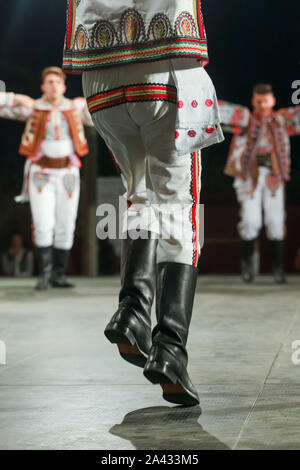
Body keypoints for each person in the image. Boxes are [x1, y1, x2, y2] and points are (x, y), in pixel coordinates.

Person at [64, 0, 224, 406]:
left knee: (140, 195)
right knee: (178, 209)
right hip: (162, 63)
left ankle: (132, 311)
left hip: (98, 75)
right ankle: (170, 347)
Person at [0, 67, 93, 290]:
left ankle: (58, 275)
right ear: (43, 86)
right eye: (49, 82)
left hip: (67, 172)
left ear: (63, 86)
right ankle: (45, 273)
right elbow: (6, 104)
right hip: (41, 172)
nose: (53, 86)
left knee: (66, 221)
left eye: (57, 82)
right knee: (42, 222)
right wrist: (11, 97)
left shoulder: (75, 107)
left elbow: (102, 110)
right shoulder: (34, 108)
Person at [219, 84, 300, 284]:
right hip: (248, 176)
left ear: (272, 101)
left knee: (275, 222)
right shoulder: (245, 119)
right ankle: (248, 269)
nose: (262, 104)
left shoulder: (282, 119)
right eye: (258, 101)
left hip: (274, 176)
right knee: (249, 221)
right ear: (253, 101)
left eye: (266, 101)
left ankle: (278, 269)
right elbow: (217, 110)